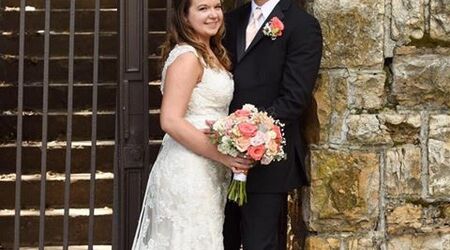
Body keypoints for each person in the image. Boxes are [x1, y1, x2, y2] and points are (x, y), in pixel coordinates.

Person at [131, 0, 251, 249]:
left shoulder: (212, 54)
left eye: (217, 7)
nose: (213, 14)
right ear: (184, 17)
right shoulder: (188, 58)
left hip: (208, 170)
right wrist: (223, 155)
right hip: (188, 168)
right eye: (203, 8)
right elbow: (171, 120)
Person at [222, 0, 323, 249]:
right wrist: (226, 137)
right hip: (220, 157)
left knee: (260, 243)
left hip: (268, 159)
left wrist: (248, 135)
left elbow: (294, 98)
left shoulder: (302, 26)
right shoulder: (230, 20)